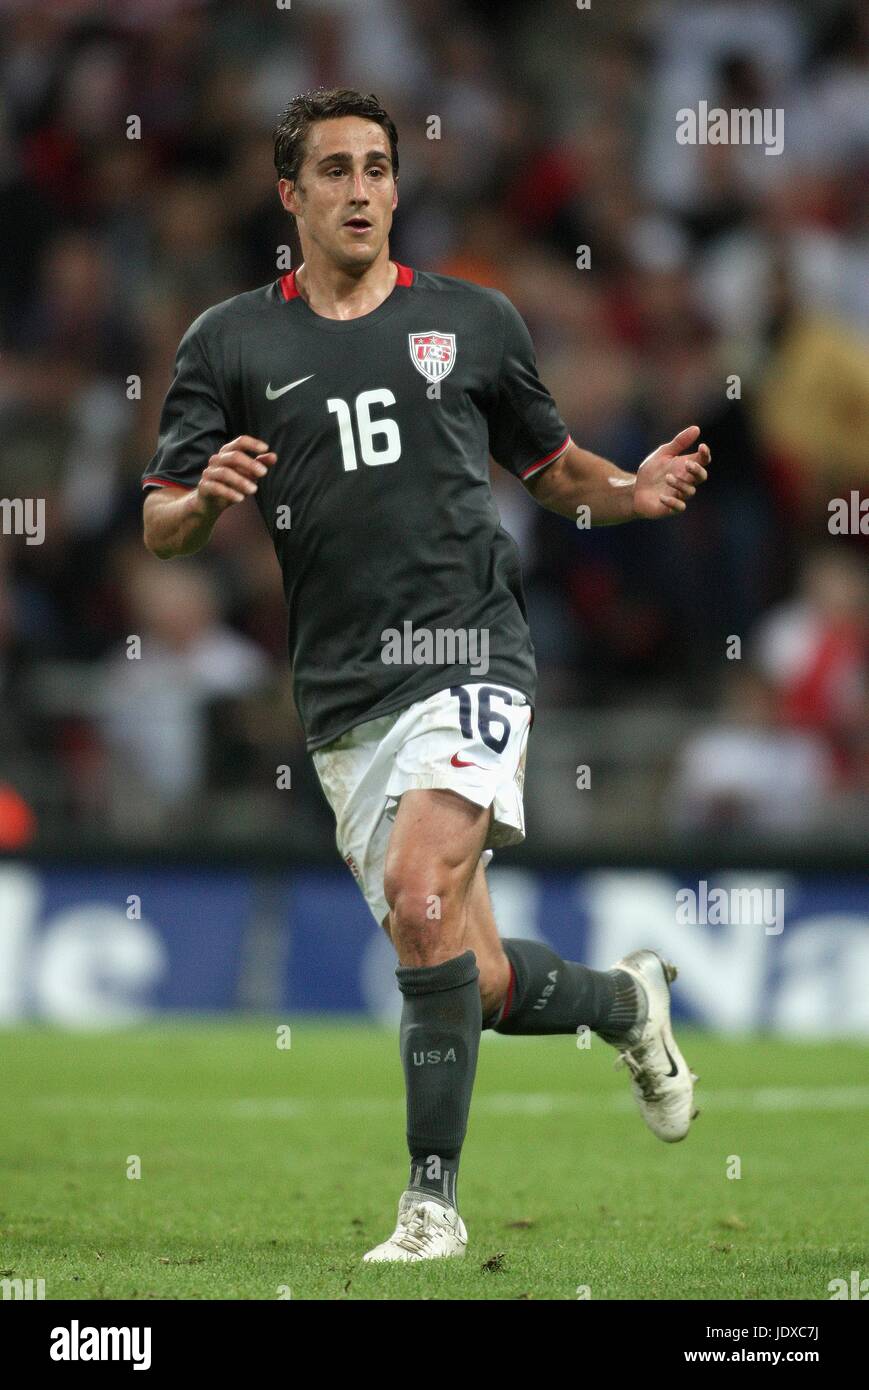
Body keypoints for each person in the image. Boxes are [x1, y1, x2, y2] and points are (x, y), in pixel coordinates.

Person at [141, 88, 709, 1263]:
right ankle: (624, 1006)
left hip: (467, 649)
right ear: (289, 194)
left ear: (399, 187)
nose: (361, 189)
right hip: (344, 697)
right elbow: (158, 527)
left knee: (417, 895)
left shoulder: (474, 320)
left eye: (378, 168)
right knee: (472, 972)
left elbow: (550, 468)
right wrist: (202, 503)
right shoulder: (230, 341)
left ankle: (430, 1205)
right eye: (335, 170)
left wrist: (627, 491)